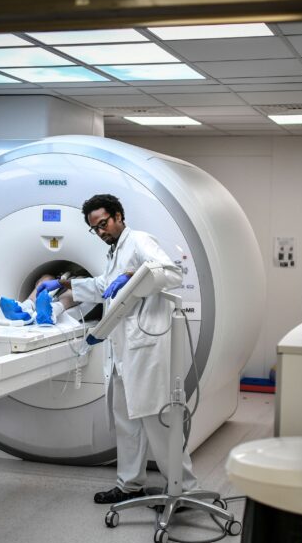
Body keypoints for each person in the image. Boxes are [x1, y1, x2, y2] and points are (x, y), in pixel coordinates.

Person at [37, 194, 199, 504]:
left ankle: (183, 489)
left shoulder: (138, 241)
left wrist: (132, 276)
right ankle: (129, 485)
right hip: (122, 351)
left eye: (103, 224)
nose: (101, 232)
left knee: (157, 420)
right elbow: (103, 286)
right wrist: (63, 284)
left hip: (145, 347)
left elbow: (173, 274)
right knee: (126, 422)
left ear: (119, 216)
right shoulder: (113, 253)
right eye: (94, 229)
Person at [0, 274, 77, 325]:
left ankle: (52, 310)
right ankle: (26, 306)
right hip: (64, 277)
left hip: (82, 282)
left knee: (78, 286)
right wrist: (59, 282)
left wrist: (61, 283)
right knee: (47, 278)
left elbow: (86, 286)